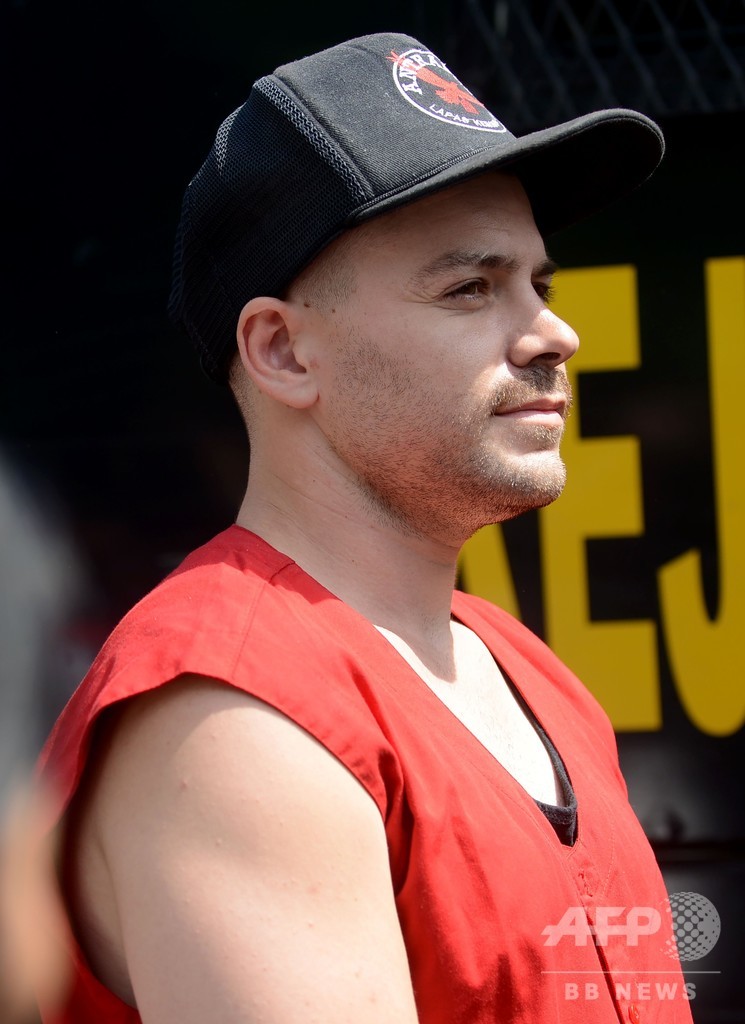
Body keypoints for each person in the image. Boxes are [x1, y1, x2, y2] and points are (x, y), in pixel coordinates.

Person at [38, 32, 693, 1024]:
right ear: (282, 351)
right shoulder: (233, 713)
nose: (553, 332)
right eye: (469, 288)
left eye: (539, 284)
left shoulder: (520, 666)